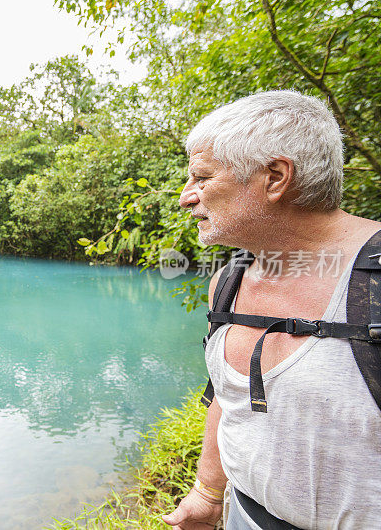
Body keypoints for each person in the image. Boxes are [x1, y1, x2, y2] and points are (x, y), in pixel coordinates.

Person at [161, 90, 381, 529]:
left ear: (276, 177)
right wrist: (207, 492)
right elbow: (229, 397)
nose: (187, 197)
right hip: (245, 516)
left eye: (202, 178)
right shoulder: (228, 282)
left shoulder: (373, 285)